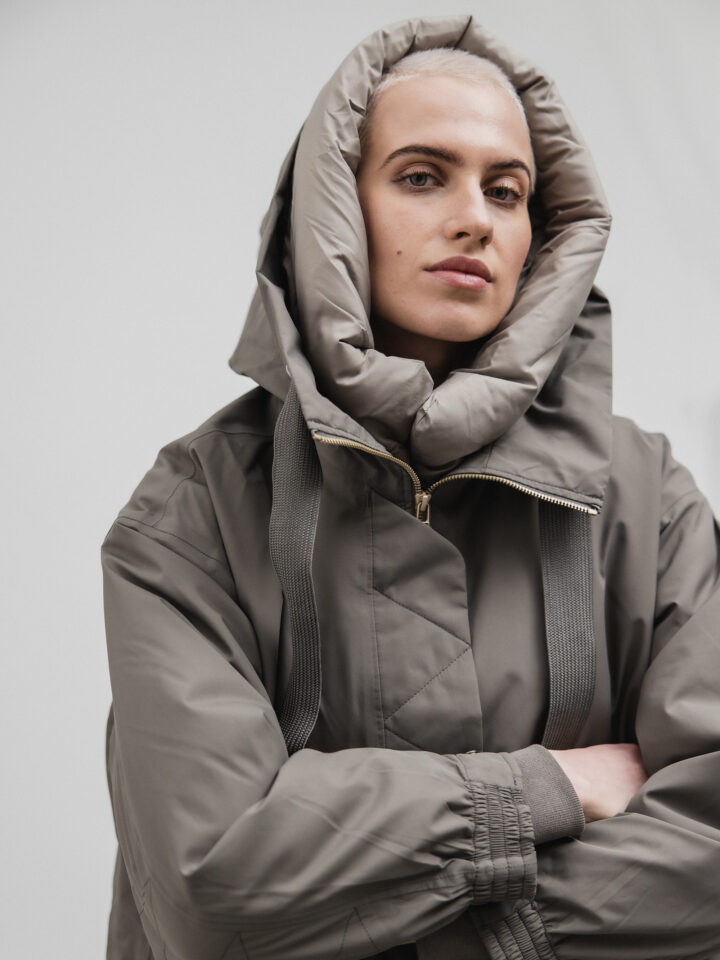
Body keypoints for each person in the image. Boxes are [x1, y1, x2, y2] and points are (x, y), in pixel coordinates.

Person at [101, 14, 720, 960]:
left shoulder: (646, 498)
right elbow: (212, 883)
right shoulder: (196, 508)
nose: (475, 217)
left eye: (506, 191)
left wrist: (413, 914)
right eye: (423, 176)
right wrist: (550, 790)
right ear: (336, 209)